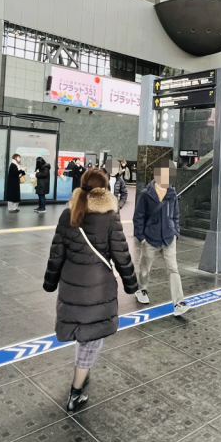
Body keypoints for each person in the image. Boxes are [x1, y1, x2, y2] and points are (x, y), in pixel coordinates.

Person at [42, 168, 137, 411]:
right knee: (91, 338)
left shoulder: (69, 214)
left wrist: (50, 283)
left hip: (71, 286)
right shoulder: (109, 217)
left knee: (83, 334)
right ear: (104, 189)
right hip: (98, 289)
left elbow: (56, 254)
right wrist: (131, 284)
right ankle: (76, 390)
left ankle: (82, 376)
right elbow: (121, 255)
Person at [132, 159, 189, 316]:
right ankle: (141, 289)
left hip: (169, 238)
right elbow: (138, 217)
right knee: (145, 267)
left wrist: (176, 231)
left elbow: (176, 215)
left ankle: (179, 302)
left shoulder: (172, 194)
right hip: (150, 238)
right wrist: (141, 237)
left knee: (173, 269)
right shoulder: (146, 194)